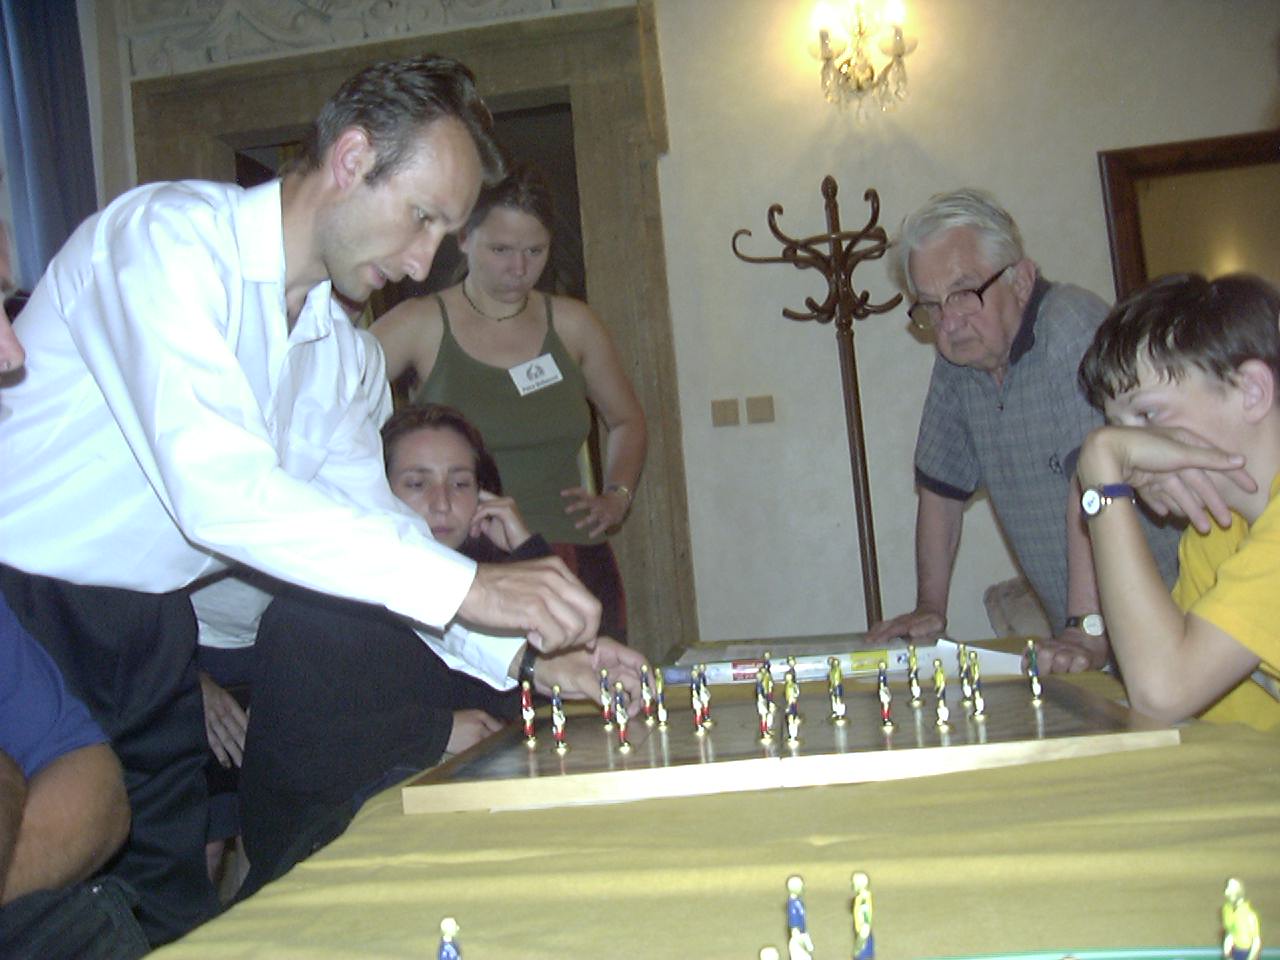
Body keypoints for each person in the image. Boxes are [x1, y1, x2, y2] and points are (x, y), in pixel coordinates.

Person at [0, 55, 601, 945]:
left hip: (155, 631)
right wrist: (478, 589)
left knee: (170, 921)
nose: (423, 260)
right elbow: (220, 492)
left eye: (444, 235)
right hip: (24, 616)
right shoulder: (166, 242)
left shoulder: (342, 353)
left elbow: (376, 530)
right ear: (352, 159)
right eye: (423, 218)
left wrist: (521, 652)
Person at [237, 402, 648, 894]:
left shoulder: (483, 587)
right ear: (376, 491)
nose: (441, 502)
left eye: (461, 483)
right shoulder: (313, 606)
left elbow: (541, 687)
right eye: (417, 483)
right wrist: (437, 732)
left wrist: (525, 549)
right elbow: (296, 753)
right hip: (333, 854)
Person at [865, 188, 1181, 672]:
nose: (949, 322)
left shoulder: (1071, 328)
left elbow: (1094, 485)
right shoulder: (959, 363)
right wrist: (931, 607)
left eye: (964, 293)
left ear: (1021, 279)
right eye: (931, 305)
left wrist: (1085, 627)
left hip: (1171, 615)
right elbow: (941, 491)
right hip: (1090, 629)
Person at [372, 161, 646, 640]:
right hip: (462, 561)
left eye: (534, 251)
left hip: (568, 552)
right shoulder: (420, 323)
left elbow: (627, 421)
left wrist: (617, 497)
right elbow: (328, 408)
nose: (519, 269)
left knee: (593, 684)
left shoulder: (574, 325)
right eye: (501, 249)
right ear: (463, 238)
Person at [1076, 272, 1280, 730]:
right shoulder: (1218, 532)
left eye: (1148, 413)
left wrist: (1103, 473)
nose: (1135, 449)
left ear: (1251, 392)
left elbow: (1162, 692)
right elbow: (1176, 696)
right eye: (1118, 427)